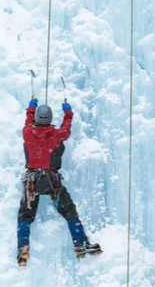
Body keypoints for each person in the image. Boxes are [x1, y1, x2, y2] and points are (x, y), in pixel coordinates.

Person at [17, 96, 100, 266]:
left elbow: (27, 121)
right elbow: (66, 127)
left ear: (36, 119)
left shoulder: (27, 132)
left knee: (25, 214)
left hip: (32, 180)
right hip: (50, 179)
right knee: (69, 211)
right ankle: (80, 244)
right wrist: (68, 112)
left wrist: (31, 107)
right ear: (50, 119)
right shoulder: (57, 134)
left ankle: (23, 248)